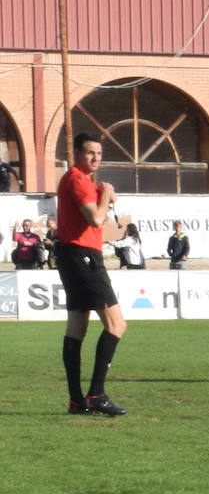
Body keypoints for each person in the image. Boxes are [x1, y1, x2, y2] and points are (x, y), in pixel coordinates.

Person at [56, 132, 127, 416]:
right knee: (116, 325)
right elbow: (96, 218)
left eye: (99, 153)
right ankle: (96, 394)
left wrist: (101, 194)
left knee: (77, 327)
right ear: (76, 153)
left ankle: (76, 401)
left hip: (72, 255)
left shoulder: (78, 180)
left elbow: (91, 213)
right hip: (83, 256)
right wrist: (106, 194)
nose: (96, 158)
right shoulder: (77, 178)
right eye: (89, 153)